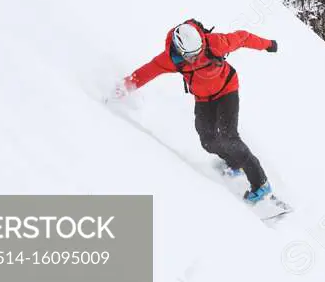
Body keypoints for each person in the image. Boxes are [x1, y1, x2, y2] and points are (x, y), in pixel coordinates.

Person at [113, 19, 279, 204]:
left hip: (227, 89)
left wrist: (268, 44)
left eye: (198, 53)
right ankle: (234, 164)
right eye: (191, 56)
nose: (196, 58)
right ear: (180, 50)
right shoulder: (171, 60)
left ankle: (261, 186)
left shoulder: (215, 43)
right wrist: (123, 88)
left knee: (228, 137)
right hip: (202, 98)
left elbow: (243, 38)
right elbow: (147, 72)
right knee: (207, 141)